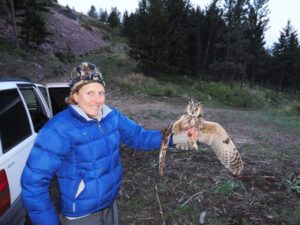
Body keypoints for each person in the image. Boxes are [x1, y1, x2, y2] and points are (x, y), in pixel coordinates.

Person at [21, 62, 198, 225]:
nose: (98, 100)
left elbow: (140, 137)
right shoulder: (58, 129)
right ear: (75, 96)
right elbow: (33, 184)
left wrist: (178, 138)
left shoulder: (110, 116)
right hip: (82, 216)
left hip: (109, 205)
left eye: (101, 92)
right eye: (89, 93)